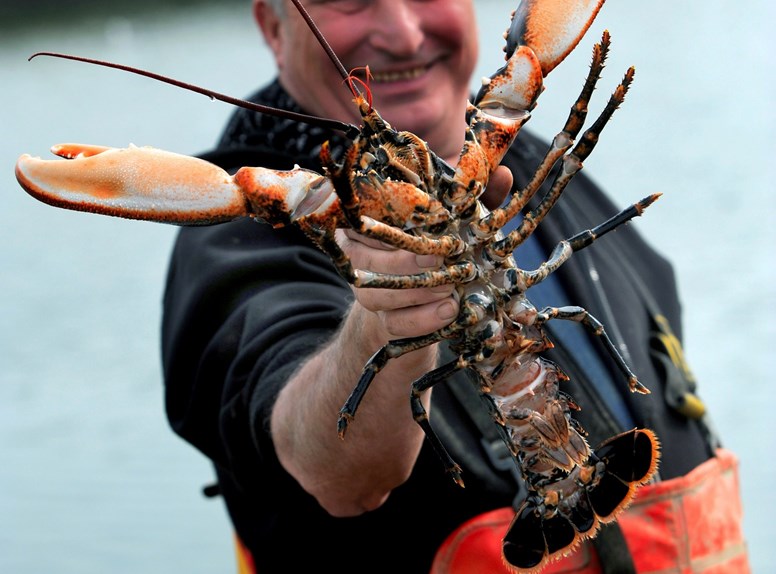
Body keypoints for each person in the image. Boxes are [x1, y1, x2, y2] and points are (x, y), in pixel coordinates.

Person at [160, 1, 750, 572]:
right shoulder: (245, 234)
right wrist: (389, 315)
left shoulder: (524, 153)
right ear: (271, 24)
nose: (404, 33)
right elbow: (333, 472)